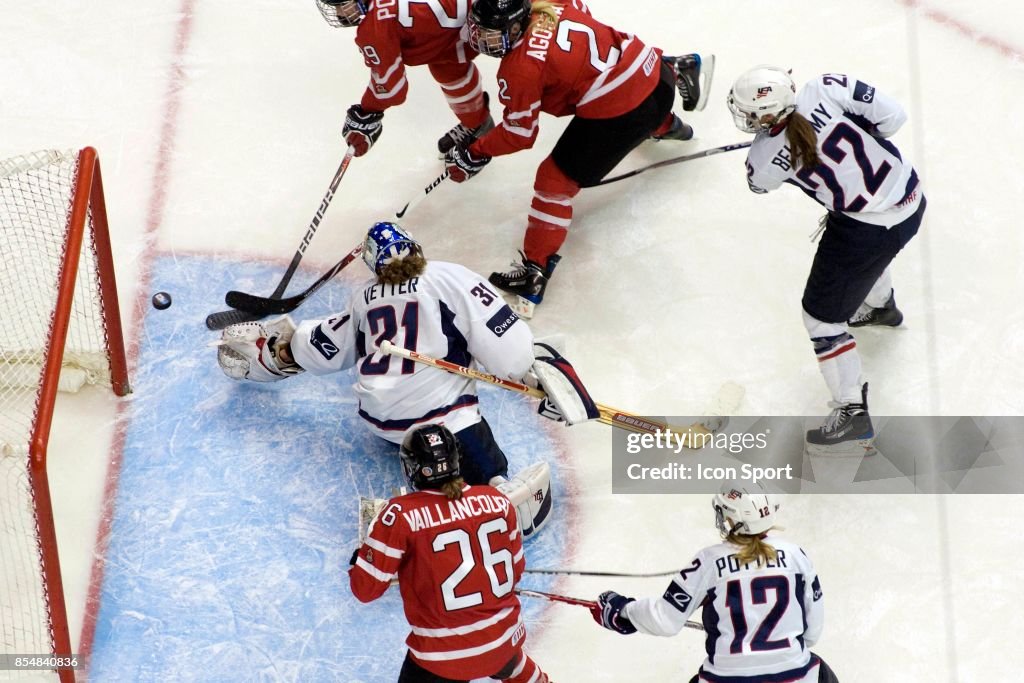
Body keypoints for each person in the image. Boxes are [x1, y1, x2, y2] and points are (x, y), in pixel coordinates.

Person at [216, 220, 599, 535]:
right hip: (447, 422)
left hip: (383, 423)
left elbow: (330, 344)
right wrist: (532, 374)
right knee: (475, 448)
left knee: (422, 432)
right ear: (416, 248)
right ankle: (496, 495)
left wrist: (285, 350)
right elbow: (505, 342)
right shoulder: (449, 277)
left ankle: (416, 498)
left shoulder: (364, 297)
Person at [441, 0, 715, 316]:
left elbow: (520, 133)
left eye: (489, 33)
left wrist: (476, 152)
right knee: (608, 92)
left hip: (629, 110)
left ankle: (535, 271)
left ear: (516, 25)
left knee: (553, 181)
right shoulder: (548, 5)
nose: (480, 39)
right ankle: (670, 122)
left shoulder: (519, 69)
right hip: (657, 73)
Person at [726, 67, 926, 456]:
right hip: (910, 198)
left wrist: (773, 143)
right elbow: (893, 118)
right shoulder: (827, 87)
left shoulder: (764, 158)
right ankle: (880, 307)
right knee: (867, 252)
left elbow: (757, 184)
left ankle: (851, 410)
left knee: (821, 319)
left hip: (867, 231)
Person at [349, 424, 551, 682]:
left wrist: (360, 562)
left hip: (442, 660)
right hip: (503, 640)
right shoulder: (498, 501)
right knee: (502, 655)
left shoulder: (398, 515)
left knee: (464, 655)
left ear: (412, 468)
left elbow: (365, 590)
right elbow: (516, 571)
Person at [592, 481, 839, 683]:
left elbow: (665, 620)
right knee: (820, 672)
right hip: (795, 676)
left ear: (731, 518)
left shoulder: (709, 561)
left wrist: (622, 611)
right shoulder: (796, 556)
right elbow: (812, 633)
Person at [315, 0, 495, 156]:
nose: (338, 14)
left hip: (491, 28)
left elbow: (392, 88)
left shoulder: (374, 28)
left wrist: (367, 112)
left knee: (519, 79)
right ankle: (477, 123)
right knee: (446, 66)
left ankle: (485, 127)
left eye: (342, 5)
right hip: (462, 26)